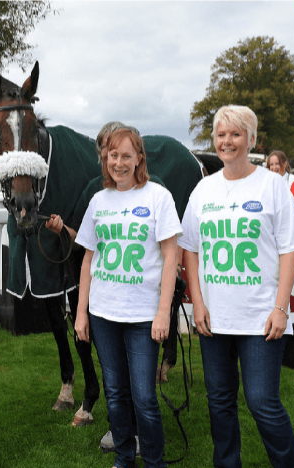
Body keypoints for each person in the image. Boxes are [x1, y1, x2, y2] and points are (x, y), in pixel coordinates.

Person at [179, 105, 294, 468]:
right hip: (214, 318)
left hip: (261, 318)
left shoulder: (272, 185)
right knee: (219, 402)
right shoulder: (204, 189)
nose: (227, 141)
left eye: (235, 134)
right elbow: (191, 251)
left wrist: (281, 308)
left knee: (263, 402)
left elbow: (289, 249)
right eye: (221, 134)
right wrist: (197, 304)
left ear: (251, 138)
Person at [74, 128, 179, 468]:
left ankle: (153, 461)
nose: (118, 162)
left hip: (143, 316)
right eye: (112, 155)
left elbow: (170, 258)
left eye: (126, 156)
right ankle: (123, 457)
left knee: (144, 397)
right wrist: (81, 313)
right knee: (115, 393)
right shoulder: (98, 200)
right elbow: (89, 259)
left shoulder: (158, 197)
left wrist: (163, 313)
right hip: (104, 313)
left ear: (139, 159)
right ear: (106, 159)